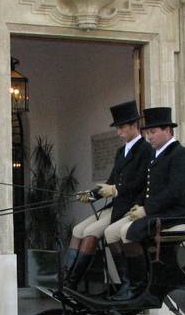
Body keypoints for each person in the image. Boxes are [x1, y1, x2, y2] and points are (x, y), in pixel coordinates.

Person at [103, 106, 185, 301]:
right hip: (153, 210)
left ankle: (140, 286)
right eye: (147, 132)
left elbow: (176, 190)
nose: (149, 137)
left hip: (173, 213)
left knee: (129, 232)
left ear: (168, 131)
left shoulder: (180, 154)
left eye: (153, 132)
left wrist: (146, 209)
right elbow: (146, 187)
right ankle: (126, 282)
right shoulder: (156, 155)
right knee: (111, 232)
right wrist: (137, 206)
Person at [62, 100, 150, 289]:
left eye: (121, 128)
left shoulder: (146, 150)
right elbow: (110, 182)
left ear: (134, 125)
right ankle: (67, 278)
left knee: (91, 232)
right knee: (78, 230)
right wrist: (91, 195)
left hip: (128, 207)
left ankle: (75, 283)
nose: (118, 132)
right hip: (114, 205)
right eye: (117, 128)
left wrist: (117, 190)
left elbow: (140, 183)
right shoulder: (121, 152)